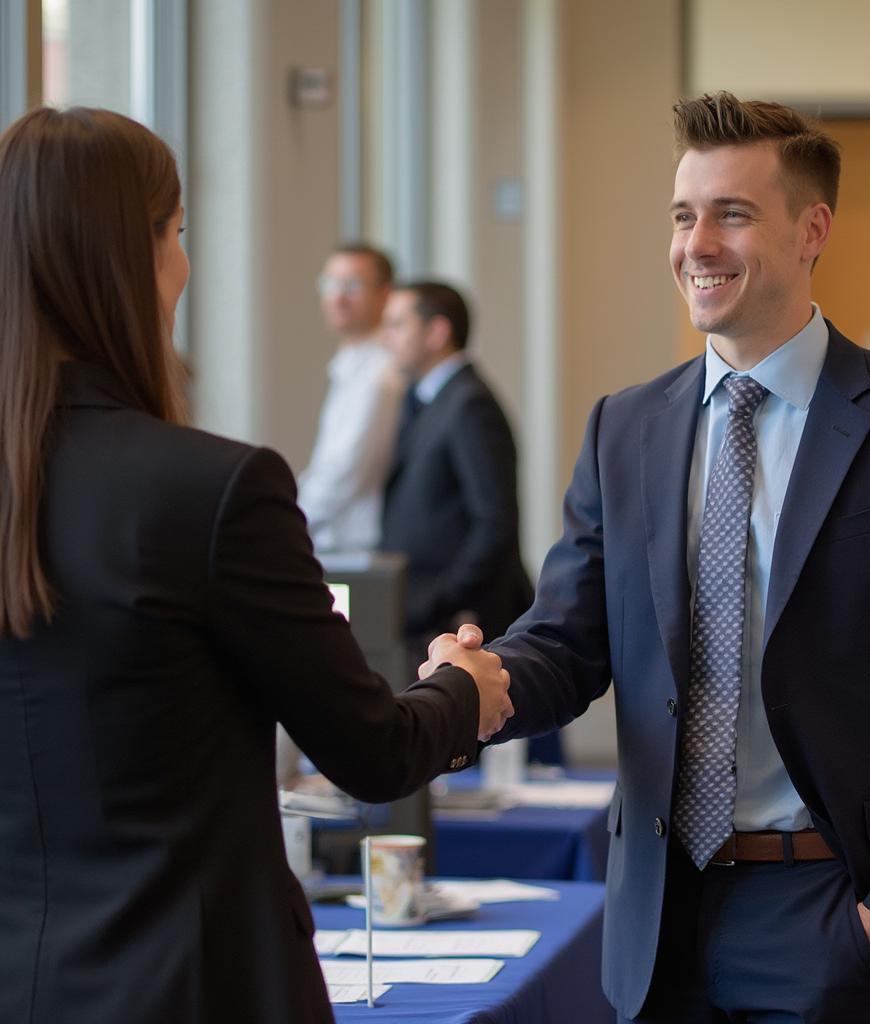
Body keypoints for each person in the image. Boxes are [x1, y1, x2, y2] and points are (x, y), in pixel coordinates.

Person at [424, 92, 870, 1022]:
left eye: (732, 214)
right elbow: (571, 639)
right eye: (682, 215)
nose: (696, 244)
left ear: (811, 229)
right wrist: (482, 678)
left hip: (831, 911)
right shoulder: (625, 427)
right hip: (658, 912)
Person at [0, 107, 512, 1024]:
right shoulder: (211, 490)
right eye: (180, 232)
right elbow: (371, 751)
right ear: (139, 256)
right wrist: (463, 687)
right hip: (193, 985)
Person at [379, 281, 533, 652]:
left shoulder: (469, 405)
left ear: (437, 332)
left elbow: (494, 523)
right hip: (430, 614)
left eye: (397, 325)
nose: (386, 338)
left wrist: (440, 598)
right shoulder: (430, 399)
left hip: (462, 620)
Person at [297, 242, 404, 554]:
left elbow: (344, 473)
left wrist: (289, 522)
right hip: (329, 542)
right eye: (330, 284)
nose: (338, 298)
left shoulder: (382, 373)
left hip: (354, 548)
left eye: (352, 285)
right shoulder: (351, 365)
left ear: (385, 294)